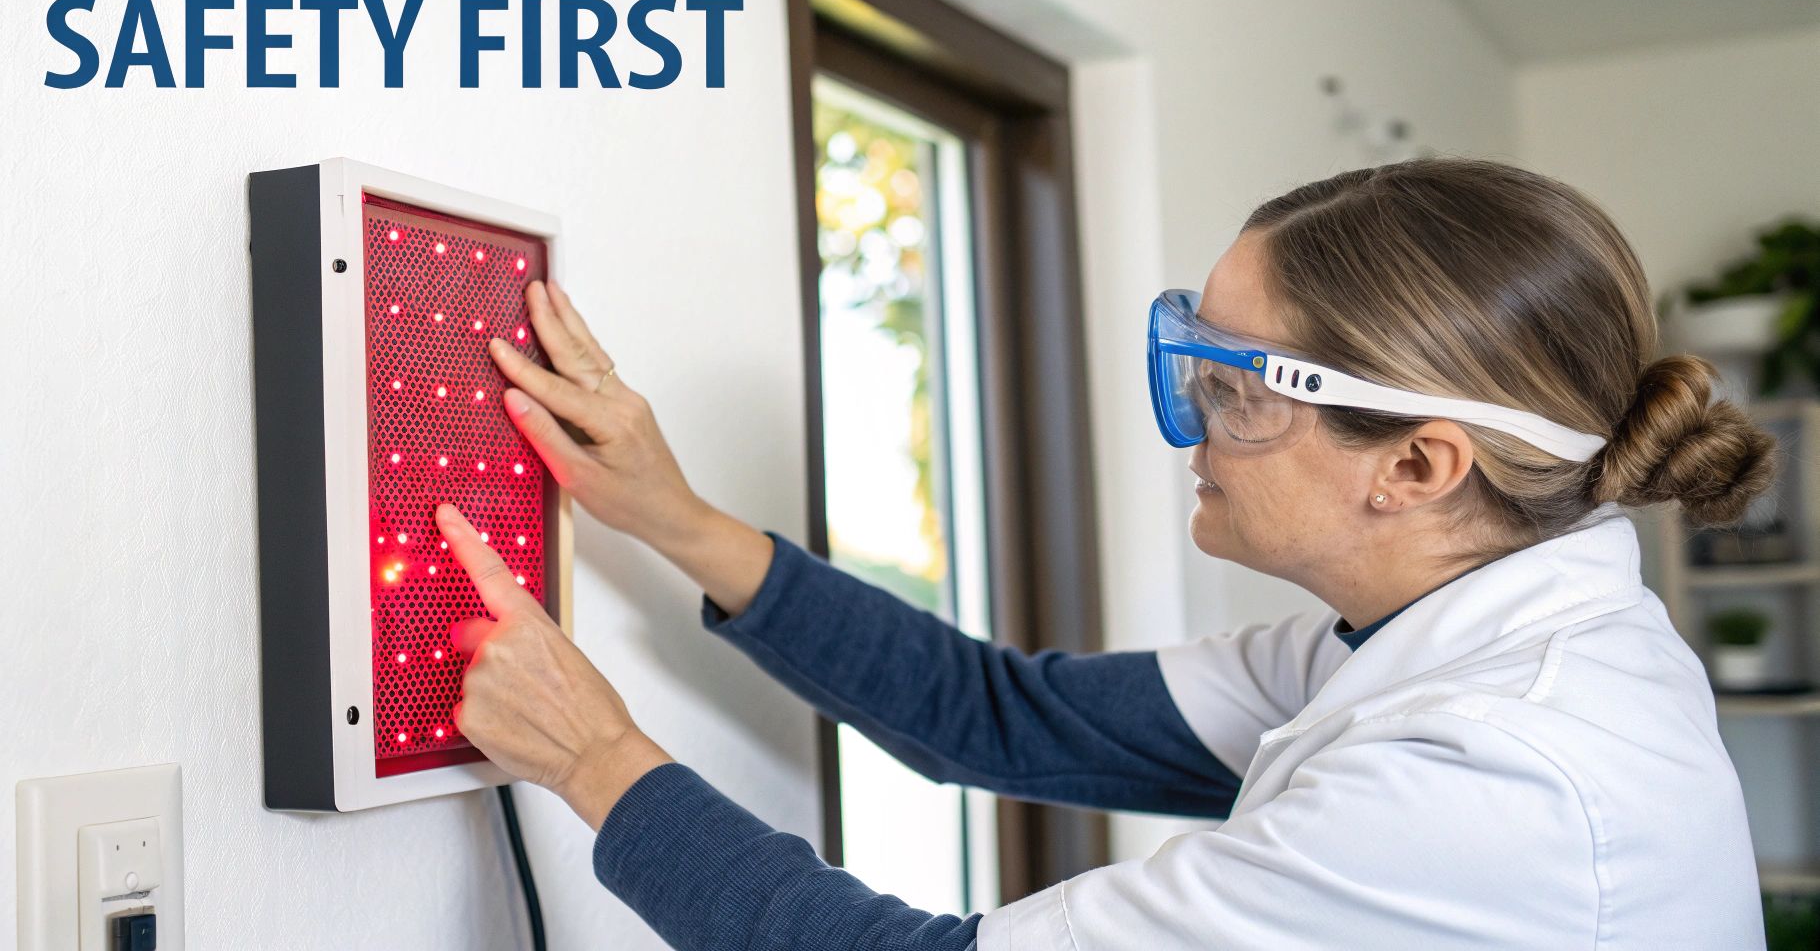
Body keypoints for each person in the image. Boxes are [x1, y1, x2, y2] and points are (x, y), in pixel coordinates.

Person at [432, 158, 1775, 949]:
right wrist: (675, 521)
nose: (1194, 426)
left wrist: (597, 759)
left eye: (1235, 389)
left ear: (1418, 465)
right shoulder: (1427, 625)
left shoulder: (1491, 781)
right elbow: (1003, 720)